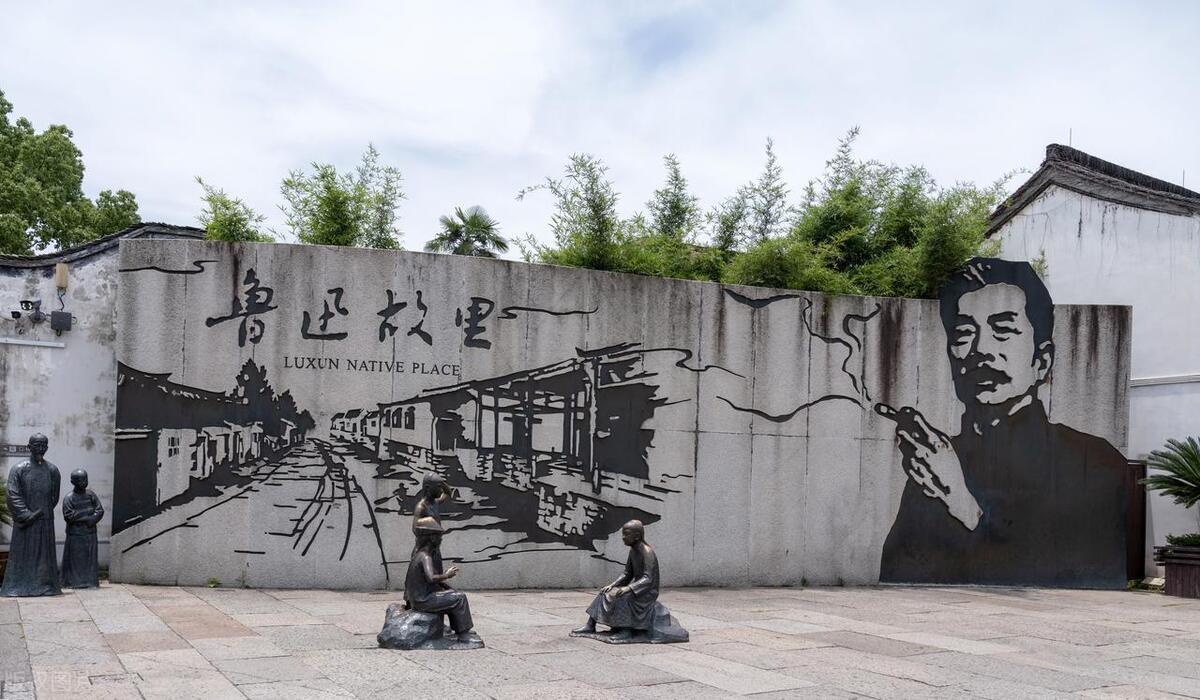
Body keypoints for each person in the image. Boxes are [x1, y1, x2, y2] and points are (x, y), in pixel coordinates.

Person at [877, 258, 1128, 587]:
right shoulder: (935, 464)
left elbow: (1076, 572)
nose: (980, 349)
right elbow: (897, 573)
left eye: (1003, 330)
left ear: (1042, 361)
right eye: (963, 334)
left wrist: (961, 502)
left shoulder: (1094, 462)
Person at [573, 520, 671, 642]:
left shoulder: (647, 552)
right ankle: (590, 625)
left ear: (637, 536)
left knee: (623, 597)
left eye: (627, 534)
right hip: (637, 588)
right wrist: (612, 585)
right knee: (604, 593)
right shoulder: (633, 551)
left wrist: (628, 588)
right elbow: (627, 574)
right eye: (623, 534)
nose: (623, 537)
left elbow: (648, 578)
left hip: (646, 591)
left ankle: (626, 631)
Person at [1, 434, 62, 597]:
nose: (41, 449)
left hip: (45, 521)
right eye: (37, 445)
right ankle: (18, 586)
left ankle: (45, 586)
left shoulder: (53, 470)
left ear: (47, 448)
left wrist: (43, 512)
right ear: (29, 447)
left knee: (44, 556)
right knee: (23, 554)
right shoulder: (19, 469)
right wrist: (27, 514)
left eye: (44, 446)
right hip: (25, 522)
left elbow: (54, 497)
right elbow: (12, 494)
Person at [404, 516, 475, 641]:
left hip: (418, 598)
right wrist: (447, 575)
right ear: (432, 538)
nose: (441, 539)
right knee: (460, 598)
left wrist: (449, 589)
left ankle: (458, 629)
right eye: (439, 536)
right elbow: (431, 578)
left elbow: (430, 580)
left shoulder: (419, 554)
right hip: (422, 601)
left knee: (453, 595)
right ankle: (464, 634)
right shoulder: (425, 557)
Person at [61, 469, 104, 589]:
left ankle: (89, 581)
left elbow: (99, 510)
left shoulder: (91, 495)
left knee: (90, 559)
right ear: (73, 482)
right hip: (75, 534)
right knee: (75, 560)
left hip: (90, 533)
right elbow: (69, 516)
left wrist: (92, 519)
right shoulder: (69, 498)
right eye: (81, 480)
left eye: (85, 479)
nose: (84, 482)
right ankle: (73, 582)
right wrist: (87, 516)